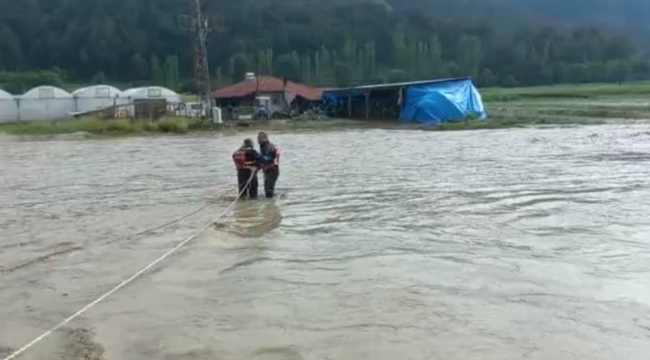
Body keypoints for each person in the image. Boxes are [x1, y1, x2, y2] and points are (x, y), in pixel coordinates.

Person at [257, 132, 280, 198]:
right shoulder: (262, 147)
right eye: (258, 138)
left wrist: (273, 164)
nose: (258, 140)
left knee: (269, 190)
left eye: (260, 138)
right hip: (267, 170)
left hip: (272, 170)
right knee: (267, 189)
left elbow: (277, 156)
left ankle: (270, 206)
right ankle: (269, 204)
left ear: (265, 138)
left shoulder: (270, 147)